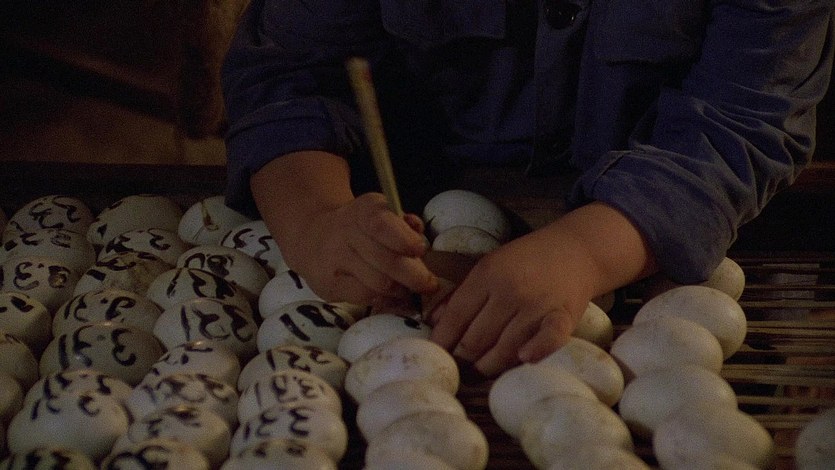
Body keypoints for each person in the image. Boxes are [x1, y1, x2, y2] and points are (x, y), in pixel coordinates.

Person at [220, 0, 834, 377]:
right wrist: (317, 220)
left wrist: (583, 253)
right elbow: (288, 74)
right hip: (400, 225)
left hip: (669, 229)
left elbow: (741, 118)